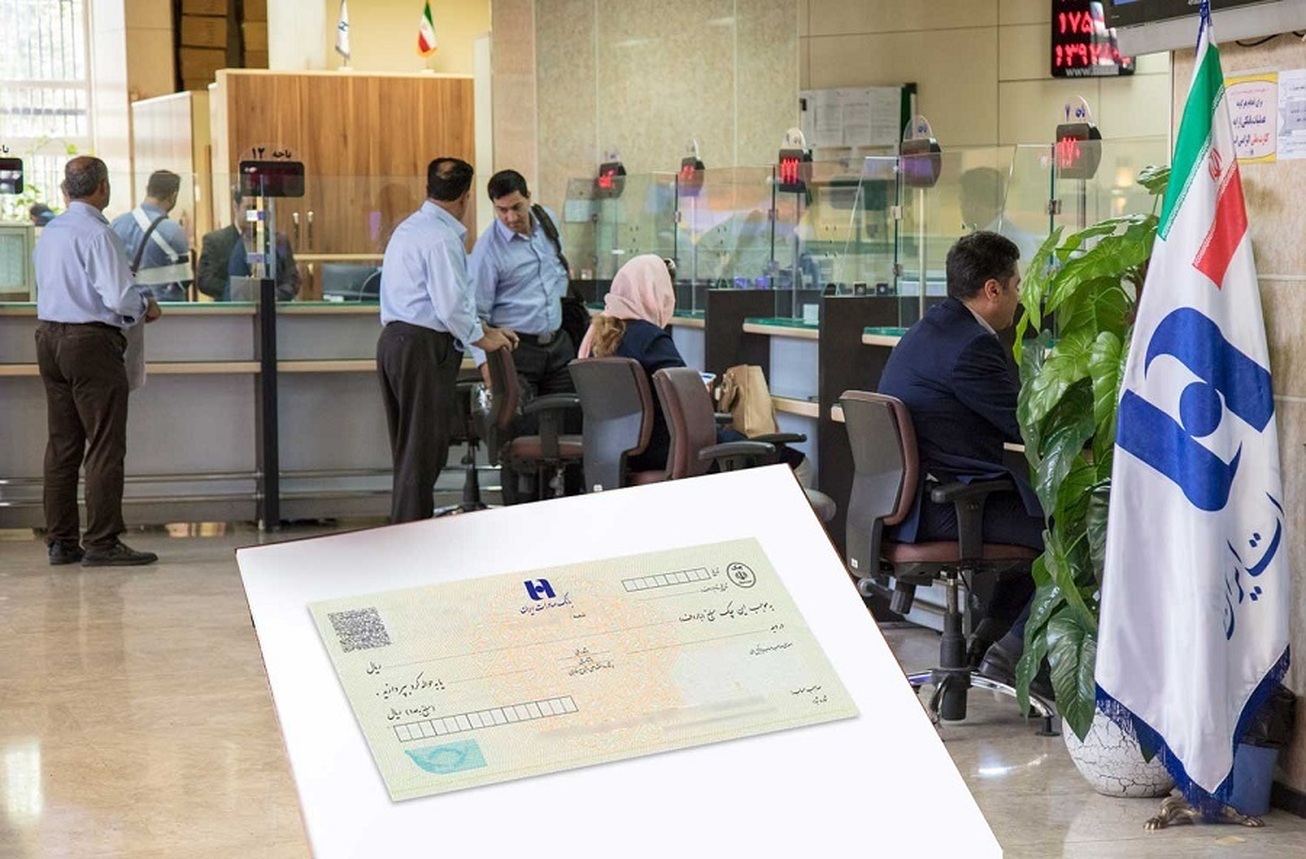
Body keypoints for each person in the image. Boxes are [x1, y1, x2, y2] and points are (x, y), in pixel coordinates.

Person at [877, 231, 1044, 683]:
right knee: (1067, 536)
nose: (1019, 298)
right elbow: (1027, 426)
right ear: (993, 290)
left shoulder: (930, 329)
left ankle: (988, 644)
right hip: (947, 508)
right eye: (1016, 286)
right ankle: (1011, 654)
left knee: (1035, 523)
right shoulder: (972, 346)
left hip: (913, 504)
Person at [34, 156, 162, 567]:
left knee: (63, 444)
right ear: (102, 187)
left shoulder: (51, 232)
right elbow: (119, 297)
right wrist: (145, 306)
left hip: (49, 340)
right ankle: (103, 542)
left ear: (64, 190)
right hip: (90, 344)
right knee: (105, 444)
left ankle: (61, 542)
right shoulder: (97, 233)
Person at [376, 157, 518, 524]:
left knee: (410, 450)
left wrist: (483, 330)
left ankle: (407, 531)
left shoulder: (410, 228)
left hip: (395, 342)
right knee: (423, 450)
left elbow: (446, 303)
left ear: (428, 188)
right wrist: (482, 340)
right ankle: (411, 538)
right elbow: (451, 306)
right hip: (423, 348)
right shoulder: (441, 238)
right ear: (465, 197)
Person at [468, 170, 576, 502]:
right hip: (516, 351)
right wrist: (487, 367)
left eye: (516, 207)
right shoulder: (488, 250)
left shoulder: (547, 222)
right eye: (501, 210)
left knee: (569, 430)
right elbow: (476, 316)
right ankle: (519, 512)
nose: (511, 217)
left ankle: (564, 507)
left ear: (528, 197)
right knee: (520, 444)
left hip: (557, 345)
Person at [578, 254, 682, 472]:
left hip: (608, 449)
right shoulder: (650, 338)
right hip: (662, 447)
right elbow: (683, 395)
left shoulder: (595, 336)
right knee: (743, 446)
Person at [196, 188, 301, 301]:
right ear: (236, 207)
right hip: (230, 308)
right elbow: (205, 281)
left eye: (263, 208)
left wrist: (273, 295)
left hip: (273, 307)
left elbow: (292, 279)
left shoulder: (279, 242)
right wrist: (241, 292)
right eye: (250, 208)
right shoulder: (216, 241)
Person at [109, 169, 192, 302]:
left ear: (147, 189)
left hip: (127, 305)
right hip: (164, 307)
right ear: (174, 195)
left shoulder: (117, 224)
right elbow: (184, 281)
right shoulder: (173, 230)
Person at [958, 167, 1043, 262]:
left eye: (962, 200)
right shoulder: (974, 239)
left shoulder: (1017, 242)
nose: (961, 207)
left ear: (974, 203)